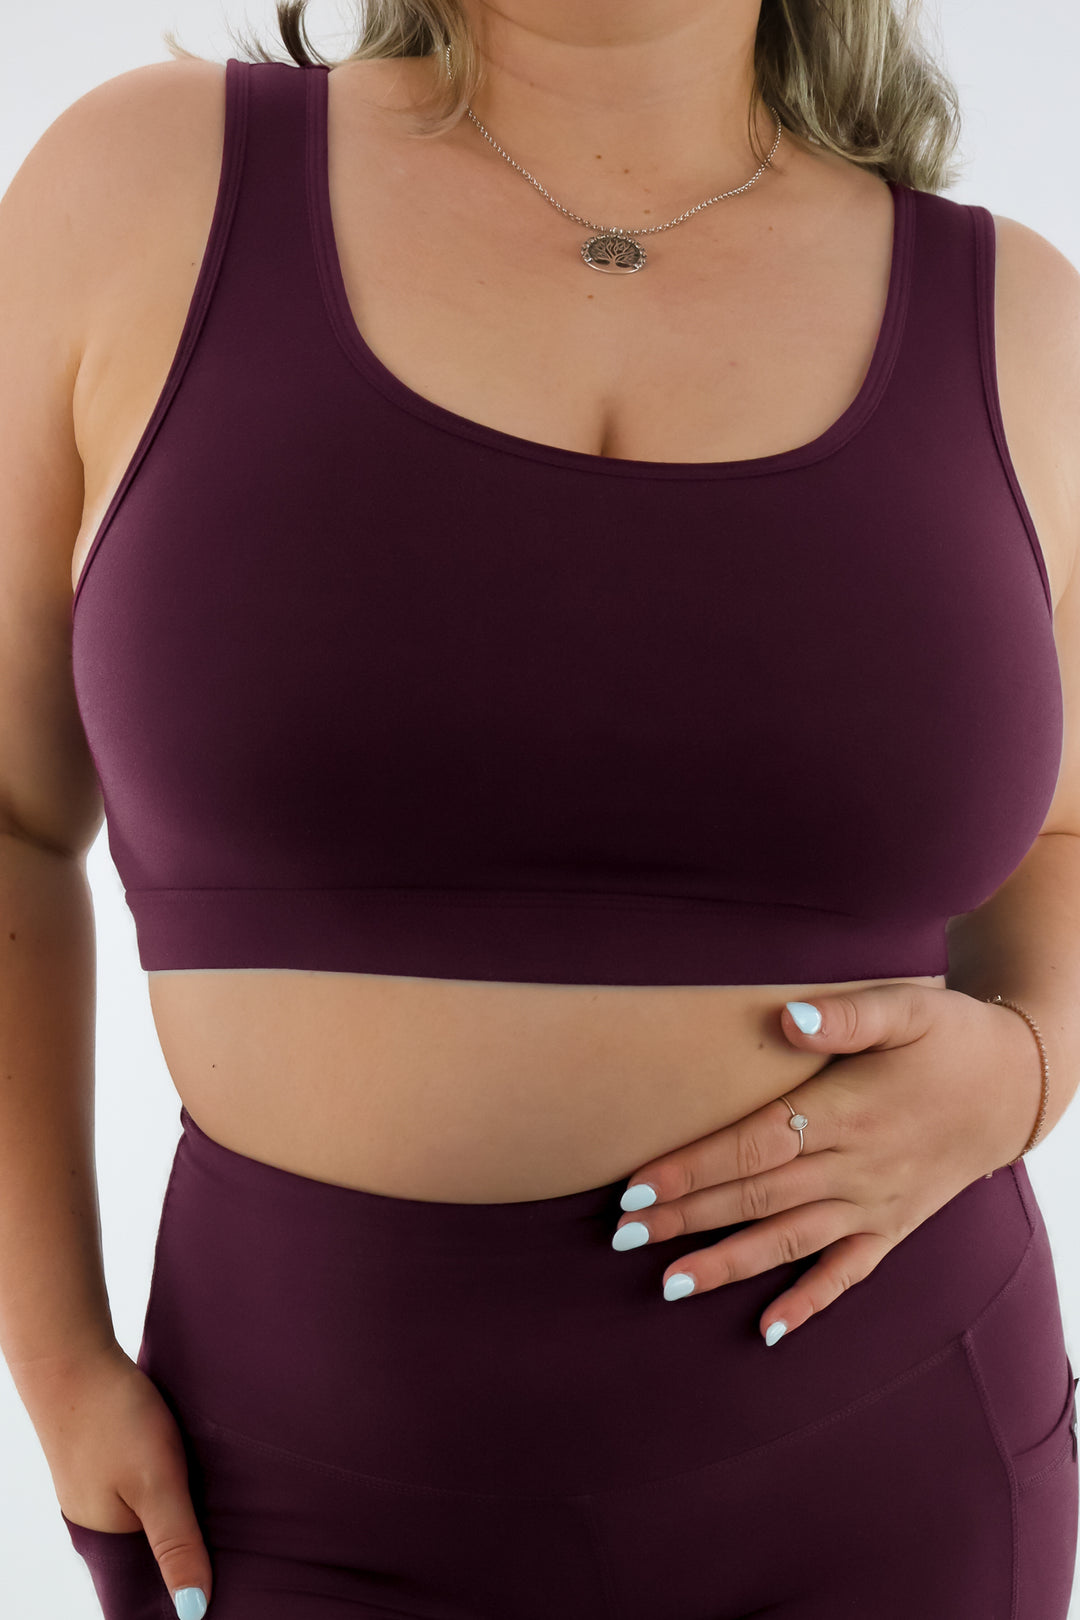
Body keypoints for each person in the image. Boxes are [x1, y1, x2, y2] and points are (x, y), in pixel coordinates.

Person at [2, 0, 1079, 1615]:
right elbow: (8, 817)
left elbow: (1066, 834)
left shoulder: (1022, 321)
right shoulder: (150, 186)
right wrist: (54, 1358)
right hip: (287, 1488)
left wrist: (1032, 1061)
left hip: (896, 1466)